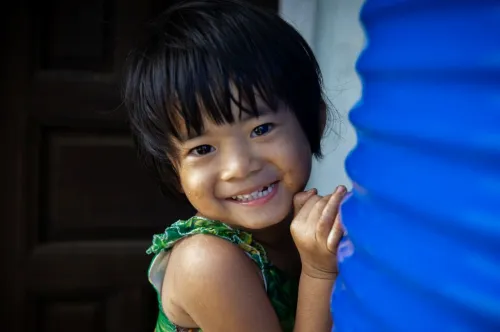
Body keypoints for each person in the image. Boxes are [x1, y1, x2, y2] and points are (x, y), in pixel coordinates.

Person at [123, 0, 347, 331]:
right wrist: (318, 272)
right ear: (174, 167)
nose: (239, 168)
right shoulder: (206, 261)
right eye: (202, 148)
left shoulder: (302, 230)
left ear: (313, 121)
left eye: (261, 129)